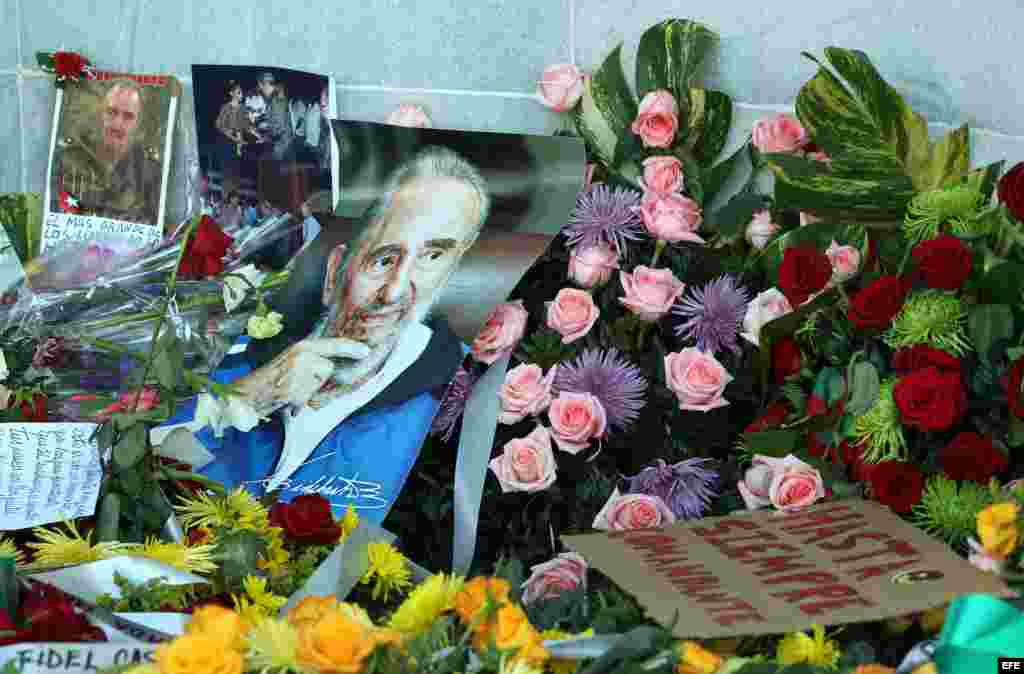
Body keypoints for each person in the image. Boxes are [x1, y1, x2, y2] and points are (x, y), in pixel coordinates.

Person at [156, 145, 489, 522]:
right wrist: (248, 396)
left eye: (432, 257)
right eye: (383, 259)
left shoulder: (457, 402)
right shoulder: (243, 342)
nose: (394, 291)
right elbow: (140, 475)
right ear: (334, 273)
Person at [52, 78, 161, 225]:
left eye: (128, 116)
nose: (117, 124)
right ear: (100, 114)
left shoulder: (151, 173)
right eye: (111, 112)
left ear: (138, 123)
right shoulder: (68, 160)